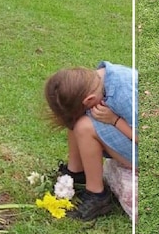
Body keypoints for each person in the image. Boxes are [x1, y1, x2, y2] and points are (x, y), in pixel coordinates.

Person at [44, 61, 137, 220]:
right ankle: (76, 173)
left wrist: (115, 121)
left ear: (89, 99)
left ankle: (97, 195)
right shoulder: (96, 79)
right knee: (76, 118)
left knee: (84, 126)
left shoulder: (124, 95)